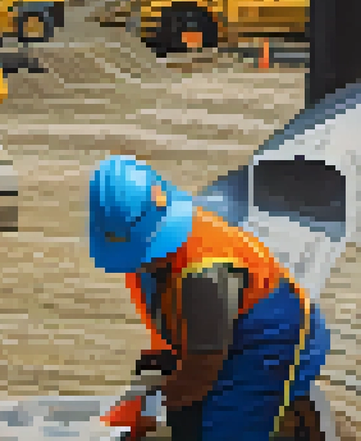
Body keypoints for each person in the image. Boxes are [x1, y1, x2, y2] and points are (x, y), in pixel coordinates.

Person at [90, 156, 330, 440]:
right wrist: (155, 376)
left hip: (273, 339)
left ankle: (292, 420)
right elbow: (171, 320)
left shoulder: (204, 276)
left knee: (225, 429)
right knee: (173, 397)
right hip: (219, 325)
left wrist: (147, 408)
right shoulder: (149, 260)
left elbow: (201, 370)